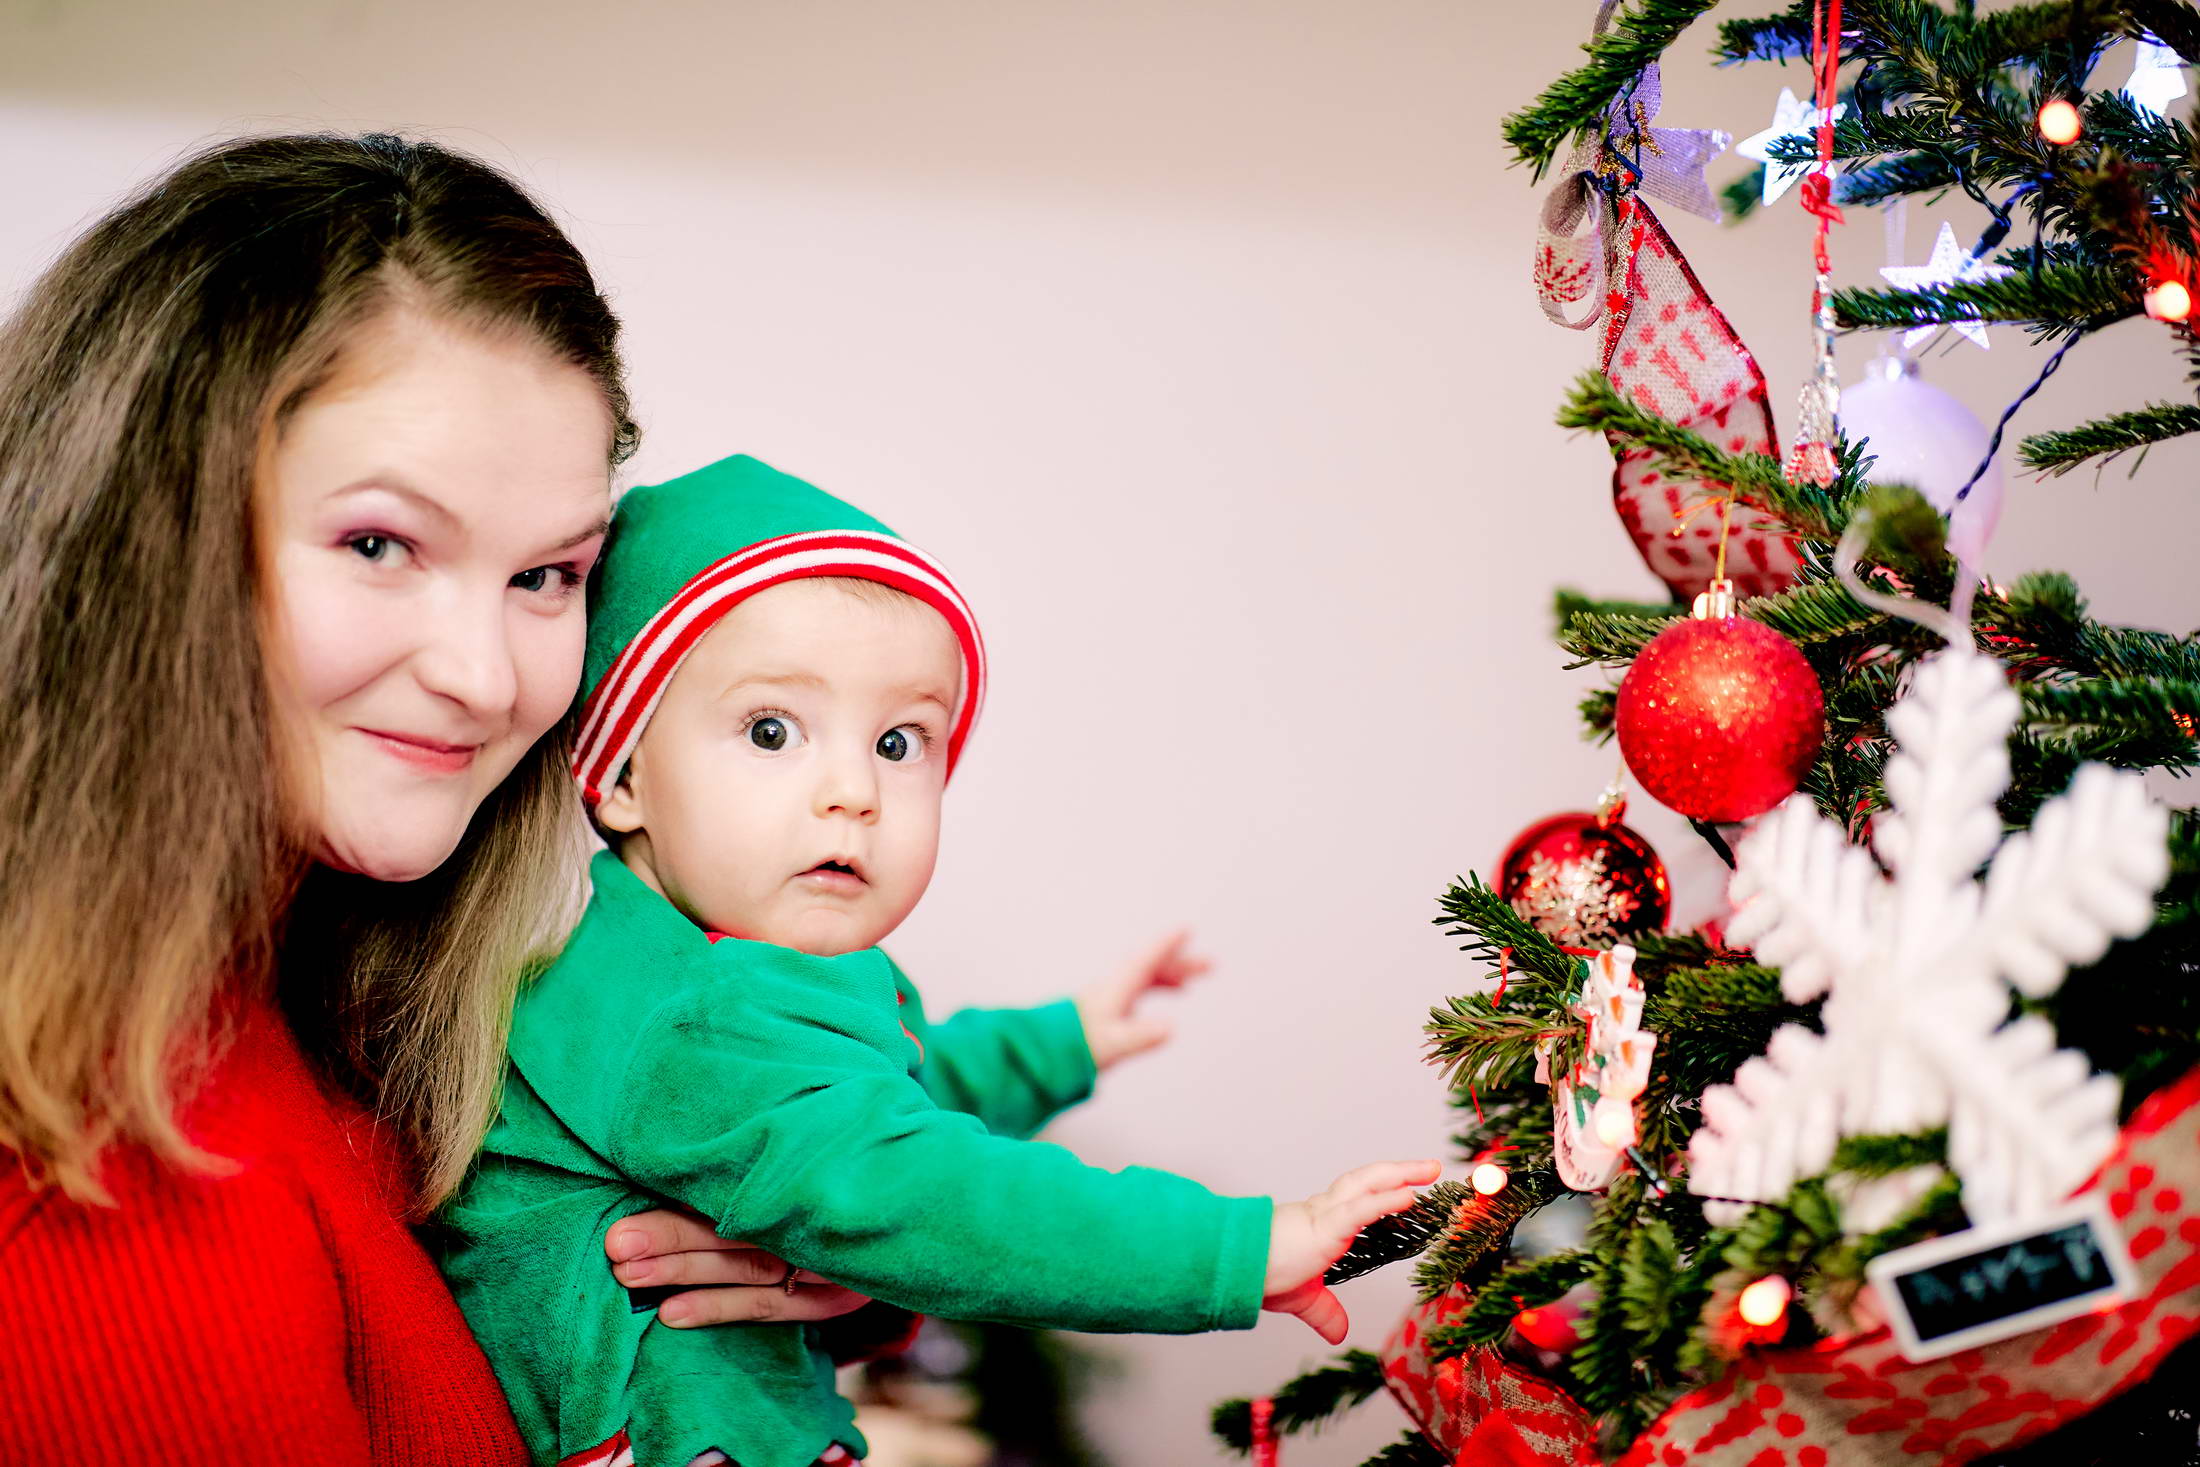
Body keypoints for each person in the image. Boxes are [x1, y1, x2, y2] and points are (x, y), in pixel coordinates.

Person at [0, 134, 869, 1463]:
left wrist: (807, 1282)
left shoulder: (321, 986)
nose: (483, 677)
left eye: (547, 574)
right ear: (142, 533)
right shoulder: (105, 1191)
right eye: (380, 543)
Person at [439, 453, 1439, 1467]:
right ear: (620, 779)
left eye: (899, 742)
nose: (852, 791)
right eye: (772, 729)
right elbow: (924, 1190)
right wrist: (1245, 1248)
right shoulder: (689, 1011)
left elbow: (893, 1088)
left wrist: (1062, 1041)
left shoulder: (719, 971)